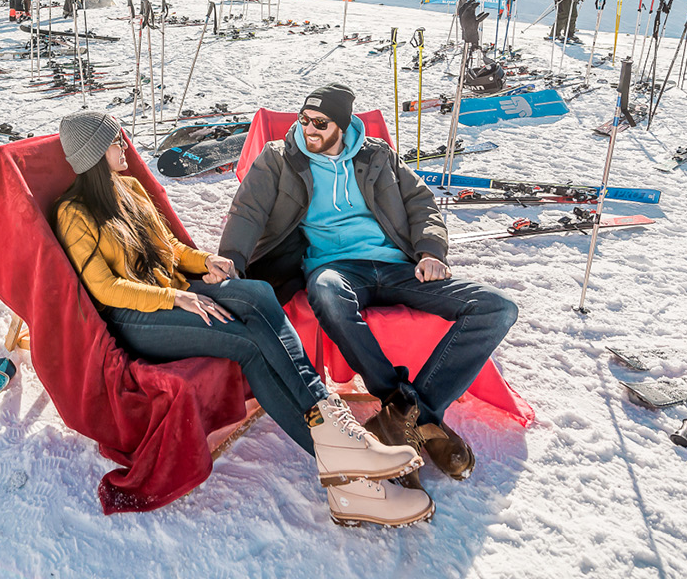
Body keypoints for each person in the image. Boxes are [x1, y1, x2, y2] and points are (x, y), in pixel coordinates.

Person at [53, 111, 433, 528]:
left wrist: (206, 261)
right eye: (113, 141)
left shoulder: (128, 189)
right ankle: (346, 458)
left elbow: (173, 249)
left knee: (257, 292)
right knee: (249, 344)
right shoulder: (73, 213)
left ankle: (336, 440)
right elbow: (104, 288)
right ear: (92, 154)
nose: (123, 146)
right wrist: (175, 296)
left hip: (175, 290)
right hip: (135, 316)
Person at [219, 83, 518, 488]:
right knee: (325, 293)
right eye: (303, 119)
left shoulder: (378, 155)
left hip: (397, 266)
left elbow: (421, 203)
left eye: (320, 123)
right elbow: (247, 211)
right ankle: (404, 406)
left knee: (497, 309)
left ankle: (408, 415)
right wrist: (232, 262)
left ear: (342, 125)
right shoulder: (279, 158)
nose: (308, 128)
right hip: (335, 268)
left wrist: (431, 252)